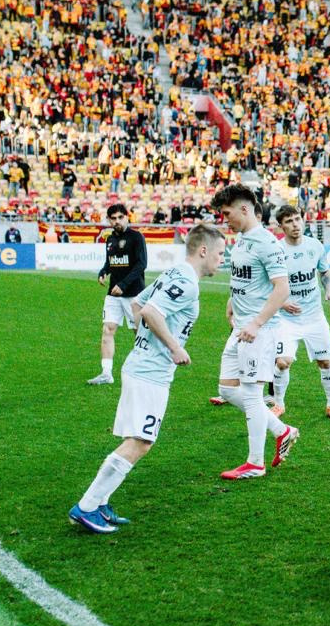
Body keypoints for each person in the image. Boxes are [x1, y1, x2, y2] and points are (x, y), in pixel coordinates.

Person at [68, 224, 227, 533]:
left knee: (138, 439)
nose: (222, 259)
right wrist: (174, 347)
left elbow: (138, 304)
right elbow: (150, 312)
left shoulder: (173, 273)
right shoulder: (186, 282)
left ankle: (100, 503)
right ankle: (86, 507)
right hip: (149, 373)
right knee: (141, 442)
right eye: (220, 253)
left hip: (141, 365)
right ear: (203, 250)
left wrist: (147, 339)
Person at [212, 184, 298, 481]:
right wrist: (232, 302)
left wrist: (257, 322)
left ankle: (255, 463)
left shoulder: (267, 243)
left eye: (227, 213)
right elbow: (246, 280)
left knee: (251, 394)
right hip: (240, 328)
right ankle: (282, 430)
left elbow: (282, 288)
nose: (225, 219)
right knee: (227, 389)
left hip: (257, 332)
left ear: (244, 209)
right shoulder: (242, 240)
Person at [269, 205, 330, 420]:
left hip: (314, 317)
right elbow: (266, 284)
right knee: (282, 362)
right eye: (289, 221)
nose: (295, 225)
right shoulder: (276, 251)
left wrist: (329, 291)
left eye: (297, 219)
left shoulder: (315, 246)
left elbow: (324, 271)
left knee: (325, 362)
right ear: (281, 226)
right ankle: (279, 404)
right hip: (286, 320)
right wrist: (282, 303)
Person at [88, 204, 148, 385]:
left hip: (134, 295)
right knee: (108, 329)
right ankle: (106, 373)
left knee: (140, 333)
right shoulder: (110, 239)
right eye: (113, 218)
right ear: (109, 220)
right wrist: (103, 271)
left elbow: (141, 264)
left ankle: (146, 370)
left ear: (127, 217)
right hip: (113, 295)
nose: (117, 221)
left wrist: (123, 284)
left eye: (120, 217)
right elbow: (110, 262)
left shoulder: (136, 237)